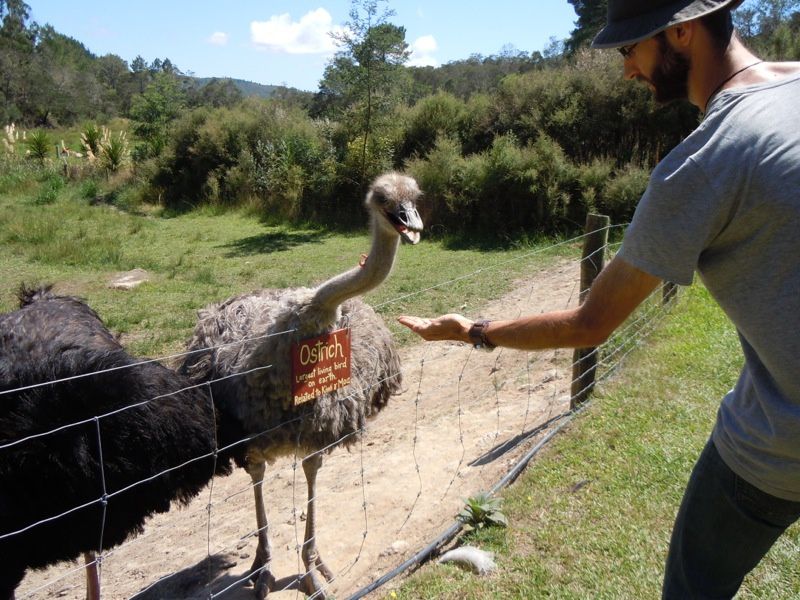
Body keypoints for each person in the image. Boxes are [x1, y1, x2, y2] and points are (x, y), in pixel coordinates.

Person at [398, 1, 800, 597]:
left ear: (682, 31)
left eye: (630, 49)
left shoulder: (701, 165)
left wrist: (473, 330)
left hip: (779, 443)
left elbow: (591, 323)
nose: (627, 70)